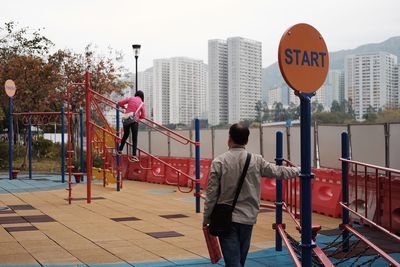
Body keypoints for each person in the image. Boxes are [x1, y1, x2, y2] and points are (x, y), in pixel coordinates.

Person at [203, 123, 300, 267]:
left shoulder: (219, 162)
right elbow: (279, 172)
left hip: (225, 218)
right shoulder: (256, 160)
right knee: (240, 260)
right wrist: (299, 170)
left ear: (229, 138)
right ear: (246, 141)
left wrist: (207, 217)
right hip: (248, 218)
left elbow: (211, 194)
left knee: (233, 262)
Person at [117, 90, 146, 161]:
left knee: (126, 134)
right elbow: (143, 116)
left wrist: (124, 107)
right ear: (142, 96)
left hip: (126, 118)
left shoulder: (131, 98)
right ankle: (133, 156)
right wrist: (138, 116)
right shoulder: (141, 103)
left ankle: (119, 150)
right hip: (134, 121)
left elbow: (119, 103)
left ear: (136, 94)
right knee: (134, 138)